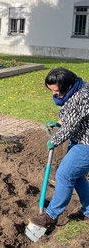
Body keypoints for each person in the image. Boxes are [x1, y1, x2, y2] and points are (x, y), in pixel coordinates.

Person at [29, 67, 89, 227]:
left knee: (64, 175)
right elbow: (74, 117)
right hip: (80, 138)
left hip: (87, 143)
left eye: (56, 91)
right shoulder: (78, 88)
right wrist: (59, 123)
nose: (54, 94)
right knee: (76, 176)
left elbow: (70, 125)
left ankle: (50, 216)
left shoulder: (81, 96)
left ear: (68, 86)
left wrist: (55, 140)